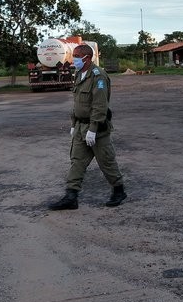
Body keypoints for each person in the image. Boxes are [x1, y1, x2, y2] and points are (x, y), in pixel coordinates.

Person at [48, 44, 126, 210]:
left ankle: (119, 190)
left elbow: (100, 105)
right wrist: (73, 124)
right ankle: (71, 196)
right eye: (74, 55)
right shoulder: (79, 74)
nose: (73, 59)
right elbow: (77, 103)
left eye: (77, 56)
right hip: (80, 127)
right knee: (76, 161)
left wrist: (93, 129)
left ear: (87, 58)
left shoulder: (98, 76)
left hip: (97, 130)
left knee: (106, 161)